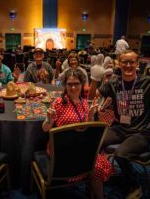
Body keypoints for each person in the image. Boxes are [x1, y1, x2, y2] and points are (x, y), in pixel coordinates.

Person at [89, 50, 150, 198]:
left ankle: (134, 185)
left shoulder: (148, 82)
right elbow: (92, 97)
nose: (128, 65)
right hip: (119, 128)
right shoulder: (114, 83)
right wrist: (94, 79)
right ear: (119, 64)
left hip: (141, 132)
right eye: (125, 62)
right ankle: (98, 175)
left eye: (132, 62)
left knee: (121, 155)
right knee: (93, 142)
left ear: (137, 64)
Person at [43, 69, 114, 199]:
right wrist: (49, 118)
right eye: (69, 84)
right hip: (61, 150)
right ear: (65, 85)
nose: (73, 87)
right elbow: (45, 129)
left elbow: (88, 129)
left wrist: (91, 116)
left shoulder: (84, 103)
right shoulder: (59, 103)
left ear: (82, 85)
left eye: (76, 83)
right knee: (95, 163)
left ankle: (96, 194)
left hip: (79, 146)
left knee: (96, 165)